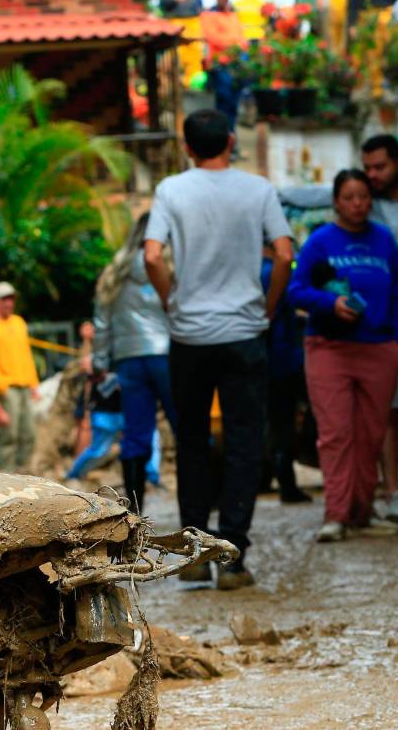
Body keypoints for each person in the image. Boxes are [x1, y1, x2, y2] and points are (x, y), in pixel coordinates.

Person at [281, 135, 398, 522]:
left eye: (378, 168)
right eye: (366, 170)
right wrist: (332, 303)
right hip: (353, 340)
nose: (370, 179)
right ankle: (371, 500)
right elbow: (299, 289)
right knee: (363, 424)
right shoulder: (347, 230)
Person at [143, 109, 294, 590]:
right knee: (245, 442)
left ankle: (193, 555)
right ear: (231, 141)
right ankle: (232, 556)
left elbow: (151, 255)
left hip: (189, 337)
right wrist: (267, 310)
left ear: (187, 147)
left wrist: (171, 299)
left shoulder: (171, 190)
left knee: (191, 441)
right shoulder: (259, 190)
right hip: (244, 333)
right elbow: (286, 253)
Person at [289, 170, 398, 541]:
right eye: (349, 197)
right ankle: (336, 515)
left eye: (363, 196)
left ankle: (363, 512)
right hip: (329, 347)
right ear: (337, 202)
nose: (357, 204)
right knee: (336, 433)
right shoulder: (321, 241)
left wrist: (397, 342)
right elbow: (296, 291)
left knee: (371, 433)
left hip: (379, 348)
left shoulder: (384, 240)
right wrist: (330, 302)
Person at [91, 213, 177, 512]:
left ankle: (135, 510)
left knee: (136, 433)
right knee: (185, 429)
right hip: (168, 356)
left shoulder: (116, 270)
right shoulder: (170, 265)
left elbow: (101, 322)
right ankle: (201, 503)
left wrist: (100, 361)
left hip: (128, 359)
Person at [261, 249, 312, 504]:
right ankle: (287, 484)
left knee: (274, 422)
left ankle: (283, 480)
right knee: (282, 423)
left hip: (271, 357)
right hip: (282, 357)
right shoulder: (274, 271)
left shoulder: (256, 269)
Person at [0, 282, 39, 473]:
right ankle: (6, 475)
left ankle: (22, 472)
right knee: (8, 434)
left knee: (29, 433)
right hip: (7, 387)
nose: (8, 303)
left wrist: (34, 384)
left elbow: (26, 354)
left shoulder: (19, 322)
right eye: (4, 299)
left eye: (11, 299)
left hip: (25, 385)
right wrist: (0, 386)